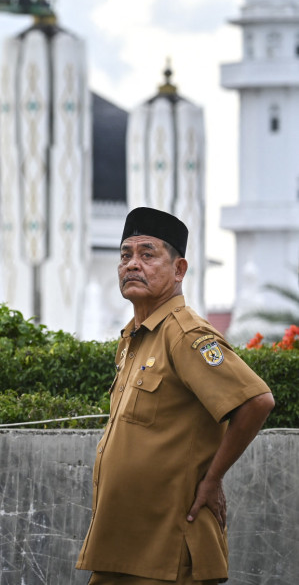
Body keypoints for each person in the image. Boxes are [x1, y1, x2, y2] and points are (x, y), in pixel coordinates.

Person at [75, 207, 275, 584]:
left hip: (168, 552)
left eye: (147, 255)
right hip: (122, 547)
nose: (132, 265)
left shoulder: (185, 334)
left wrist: (212, 480)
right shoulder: (135, 339)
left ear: (179, 269)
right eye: (125, 256)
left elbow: (256, 401)